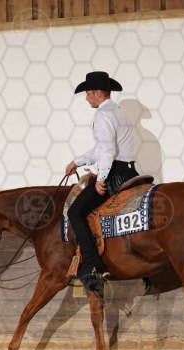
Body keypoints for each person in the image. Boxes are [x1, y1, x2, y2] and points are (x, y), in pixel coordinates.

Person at [65, 71, 139, 294]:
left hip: (115, 174)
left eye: (88, 93)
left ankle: (91, 265)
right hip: (130, 171)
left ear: (98, 93)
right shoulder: (120, 111)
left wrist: (102, 178)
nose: (86, 98)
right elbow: (100, 149)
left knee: (75, 212)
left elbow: (107, 150)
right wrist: (77, 162)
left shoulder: (103, 115)